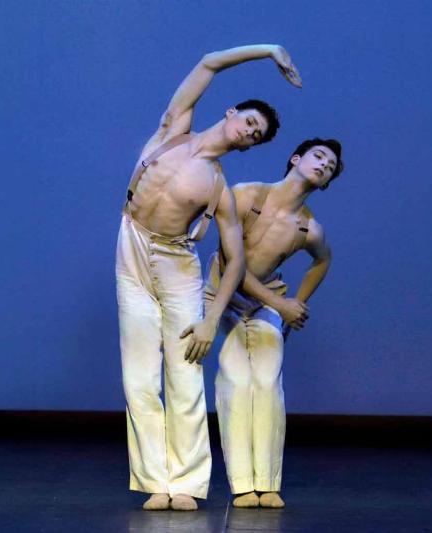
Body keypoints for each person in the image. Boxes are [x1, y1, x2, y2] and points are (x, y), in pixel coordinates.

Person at [117, 44, 301, 511]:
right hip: (133, 247)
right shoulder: (173, 131)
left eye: (256, 137)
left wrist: (210, 318)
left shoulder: (219, 186)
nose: (248, 134)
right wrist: (269, 51)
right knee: (139, 376)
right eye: (249, 124)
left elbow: (234, 260)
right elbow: (208, 63)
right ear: (231, 113)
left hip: (177, 263)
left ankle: (187, 482)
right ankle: (156, 480)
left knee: (184, 371)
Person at [205, 138, 344, 508]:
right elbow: (229, 262)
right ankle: (242, 486)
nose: (324, 165)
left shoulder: (309, 229)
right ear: (296, 159)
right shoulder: (247, 194)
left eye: (330, 167)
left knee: (267, 383)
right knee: (235, 381)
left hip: (267, 300)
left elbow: (323, 261)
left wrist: (296, 302)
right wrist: (281, 305)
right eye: (319, 157)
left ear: (326, 184)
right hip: (222, 298)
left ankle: (267, 484)